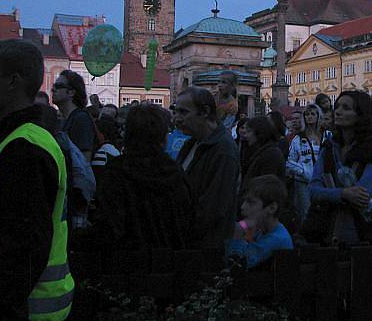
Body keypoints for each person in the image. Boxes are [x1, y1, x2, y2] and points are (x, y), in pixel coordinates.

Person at [0, 39, 74, 321]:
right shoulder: (28, 139)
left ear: (14, 81)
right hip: (33, 316)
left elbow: (24, 249)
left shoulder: (23, 148)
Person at [81, 103, 192, 251]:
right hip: (169, 262)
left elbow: (109, 228)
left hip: (126, 264)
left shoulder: (116, 171)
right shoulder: (174, 171)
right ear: (162, 136)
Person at [305, 91, 372, 245]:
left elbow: (362, 195)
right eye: (337, 106)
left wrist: (329, 194)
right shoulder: (328, 148)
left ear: (360, 115)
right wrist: (343, 193)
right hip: (325, 228)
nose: (338, 111)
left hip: (360, 232)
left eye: (346, 108)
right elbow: (313, 189)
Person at [174, 87, 241, 248]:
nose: (176, 119)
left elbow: (212, 210)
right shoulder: (192, 143)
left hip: (205, 248)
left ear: (204, 111)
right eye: (175, 112)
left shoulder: (223, 151)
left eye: (183, 112)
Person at [226, 175, 294, 269]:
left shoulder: (276, 239)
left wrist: (238, 232)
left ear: (271, 208)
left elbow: (235, 266)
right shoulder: (260, 230)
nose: (243, 207)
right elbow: (247, 242)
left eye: (251, 202)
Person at [286, 104, 323, 223]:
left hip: (322, 180)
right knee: (305, 212)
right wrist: (302, 171)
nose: (310, 117)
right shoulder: (298, 138)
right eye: (307, 114)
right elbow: (290, 161)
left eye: (313, 114)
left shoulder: (326, 136)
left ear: (318, 116)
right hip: (303, 181)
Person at [52, 69, 96, 161]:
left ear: (71, 92)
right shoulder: (63, 120)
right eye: (54, 86)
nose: (53, 89)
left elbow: (83, 161)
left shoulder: (81, 119)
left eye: (58, 86)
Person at [241, 116, 286, 193]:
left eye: (249, 131)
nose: (246, 135)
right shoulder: (262, 151)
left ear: (259, 132)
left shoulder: (271, 155)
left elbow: (266, 188)